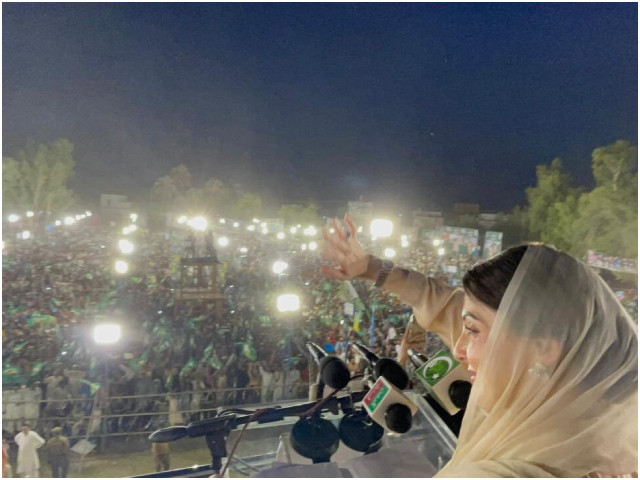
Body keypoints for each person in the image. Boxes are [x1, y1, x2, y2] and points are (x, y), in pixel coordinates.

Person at [321, 214, 637, 477]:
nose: (456, 349)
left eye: (471, 330)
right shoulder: (593, 410)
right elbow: (438, 300)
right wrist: (371, 268)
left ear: (544, 348)